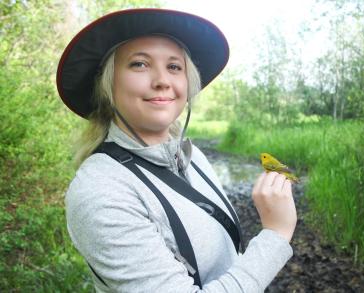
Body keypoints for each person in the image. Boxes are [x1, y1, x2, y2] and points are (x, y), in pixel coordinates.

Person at [57, 8, 297, 292]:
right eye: (139, 64)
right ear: (108, 84)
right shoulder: (100, 192)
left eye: (174, 66)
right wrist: (275, 233)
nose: (162, 80)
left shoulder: (194, 158)